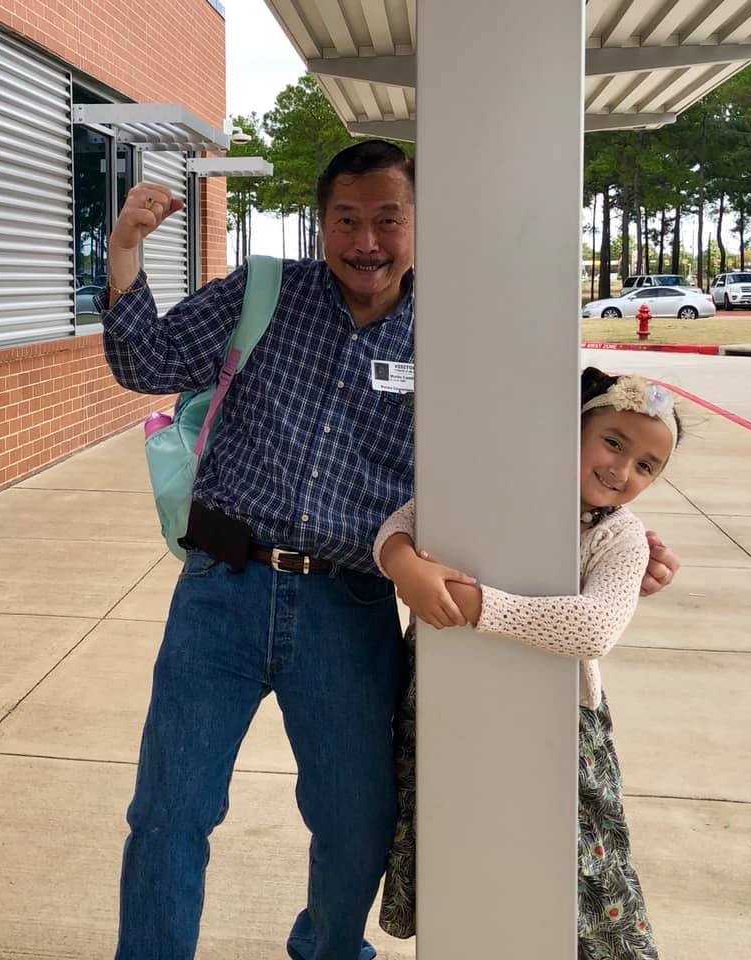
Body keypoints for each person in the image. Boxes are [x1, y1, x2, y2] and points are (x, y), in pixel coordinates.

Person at [99, 136, 679, 960]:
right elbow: (145, 359)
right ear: (321, 223)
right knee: (169, 810)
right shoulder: (264, 292)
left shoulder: (457, 334)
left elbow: (537, 449)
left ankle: (329, 949)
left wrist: (611, 531)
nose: (365, 241)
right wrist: (125, 247)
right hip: (222, 590)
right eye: (346, 219)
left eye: (387, 219)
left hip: (350, 603)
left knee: (356, 821)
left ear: (419, 223)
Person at [374, 367, 681, 959]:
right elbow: (402, 522)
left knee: (578, 862)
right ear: (570, 430)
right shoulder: (492, 491)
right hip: (447, 702)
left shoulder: (621, 537)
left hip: (559, 718)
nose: (622, 470)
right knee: (458, 845)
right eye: (612, 442)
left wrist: (479, 607)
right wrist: (404, 564)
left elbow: (594, 627)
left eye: (646, 466)